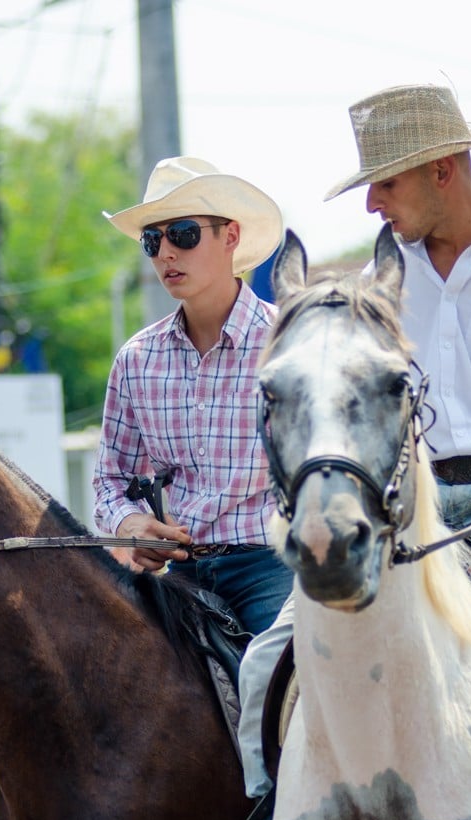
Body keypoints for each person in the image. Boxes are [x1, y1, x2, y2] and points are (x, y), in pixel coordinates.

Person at [182, 82, 471, 820]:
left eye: (384, 184)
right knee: (264, 665)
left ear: (444, 170)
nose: (371, 203)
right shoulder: (378, 287)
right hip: (404, 522)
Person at [92, 155, 294, 637]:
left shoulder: (291, 342)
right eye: (152, 239)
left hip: (275, 567)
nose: (166, 253)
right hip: (179, 576)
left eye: (182, 233)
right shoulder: (136, 359)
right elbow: (109, 478)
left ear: (231, 237)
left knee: (276, 690)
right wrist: (131, 525)